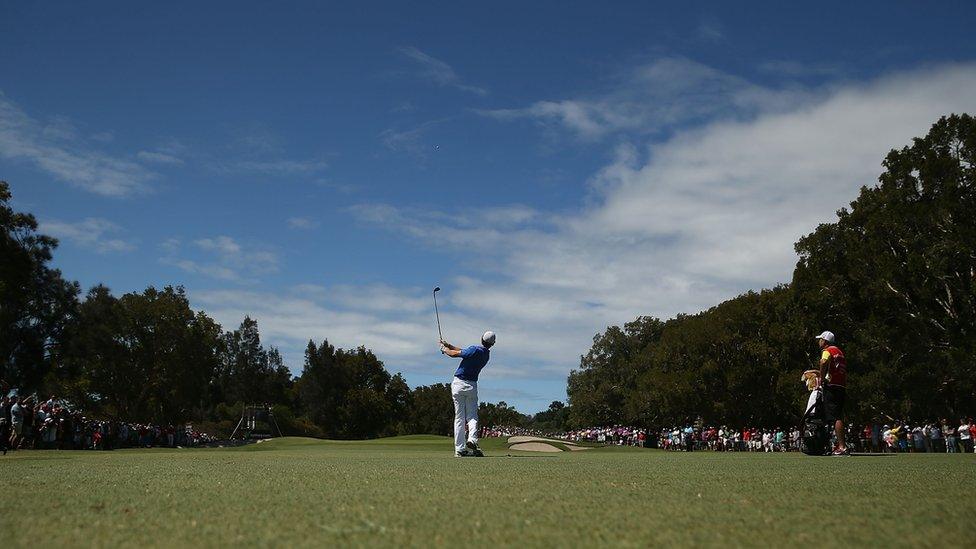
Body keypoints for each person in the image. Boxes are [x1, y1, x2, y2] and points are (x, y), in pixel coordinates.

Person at [441, 331, 495, 457]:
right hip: (472, 386)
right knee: (472, 416)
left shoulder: (474, 349)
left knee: (459, 417)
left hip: (458, 384)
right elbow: (463, 351)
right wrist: (449, 345)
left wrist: (444, 349)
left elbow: (455, 354)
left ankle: (459, 449)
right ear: (492, 344)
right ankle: (472, 439)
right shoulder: (486, 355)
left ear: (481, 338)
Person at [816, 331, 849, 455]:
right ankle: (839, 445)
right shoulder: (839, 352)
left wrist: (821, 377)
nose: (819, 341)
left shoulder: (827, 350)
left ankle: (842, 447)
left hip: (831, 386)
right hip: (841, 385)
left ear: (825, 341)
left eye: (820, 339)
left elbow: (823, 362)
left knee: (835, 417)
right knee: (838, 415)